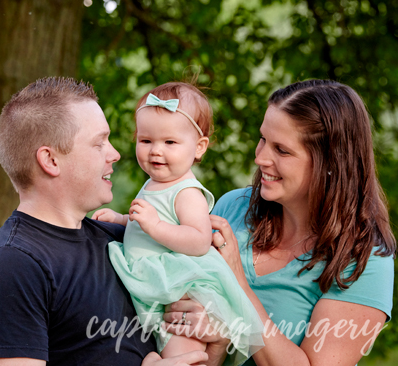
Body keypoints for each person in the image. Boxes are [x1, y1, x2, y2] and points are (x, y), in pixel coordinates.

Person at [0, 77, 211, 366]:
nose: (115, 154)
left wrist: (211, 341)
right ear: (51, 160)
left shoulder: (123, 243)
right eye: (99, 143)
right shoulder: (11, 266)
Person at [164, 80, 396, 366]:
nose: (260, 157)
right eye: (262, 139)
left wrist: (239, 288)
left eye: (282, 150)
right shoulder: (232, 208)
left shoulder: (365, 261)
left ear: (331, 163)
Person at [93, 83, 264, 365]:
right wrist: (123, 220)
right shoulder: (155, 182)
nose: (156, 151)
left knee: (181, 346)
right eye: (146, 141)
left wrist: (154, 226)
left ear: (199, 148)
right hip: (160, 281)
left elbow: (197, 240)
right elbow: (149, 227)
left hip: (182, 288)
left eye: (170, 143)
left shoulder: (187, 192)